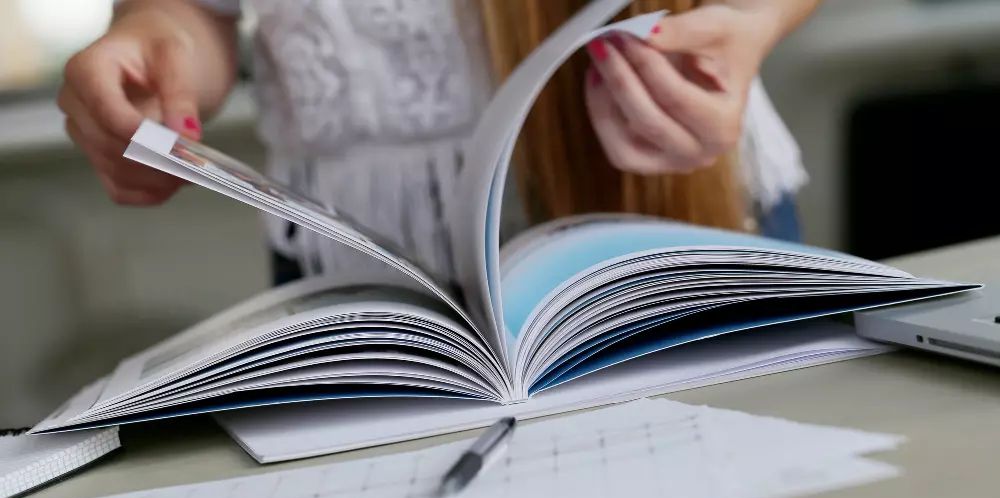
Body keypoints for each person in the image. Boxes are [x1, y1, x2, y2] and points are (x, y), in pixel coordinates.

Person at [58, 0, 819, 287]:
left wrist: (753, 25)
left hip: (671, 189)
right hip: (347, 258)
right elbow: (194, 10)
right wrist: (157, 42)